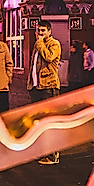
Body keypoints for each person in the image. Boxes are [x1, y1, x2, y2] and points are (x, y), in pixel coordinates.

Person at [28, 20, 61, 164]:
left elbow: (49, 57)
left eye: (43, 31)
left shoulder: (54, 44)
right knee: (39, 123)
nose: (40, 33)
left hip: (49, 87)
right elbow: (33, 65)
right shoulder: (37, 45)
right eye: (38, 30)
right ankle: (43, 152)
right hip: (37, 87)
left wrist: (40, 43)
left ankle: (53, 155)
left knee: (49, 122)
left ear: (49, 31)